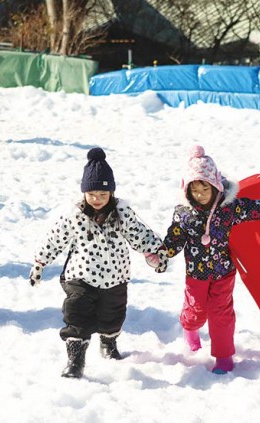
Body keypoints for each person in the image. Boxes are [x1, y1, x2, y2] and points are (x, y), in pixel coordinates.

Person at [147, 145, 260, 374]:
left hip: (224, 273)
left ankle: (224, 357)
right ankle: (189, 331)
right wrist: (160, 254)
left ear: (216, 186)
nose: (199, 195)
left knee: (221, 315)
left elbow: (257, 209)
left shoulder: (229, 209)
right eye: (195, 190)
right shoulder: (184, 213)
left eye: (204, 189)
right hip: (196, 275)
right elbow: (174, 239)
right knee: (195, 312)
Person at [29, 147, 165, 379]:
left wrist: (157, 251)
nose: (97, 200)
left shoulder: (122, 213)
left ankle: (108, 343)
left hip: (115, 276)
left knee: (113, 314)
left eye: (103, 195)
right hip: (81, 275)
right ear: (84, 193)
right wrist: (40, 262)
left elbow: (139, 234)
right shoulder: (74, 215)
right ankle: (76, 359)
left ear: (111, 193)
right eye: (92, 195)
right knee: (76, 312)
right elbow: (55, 238)